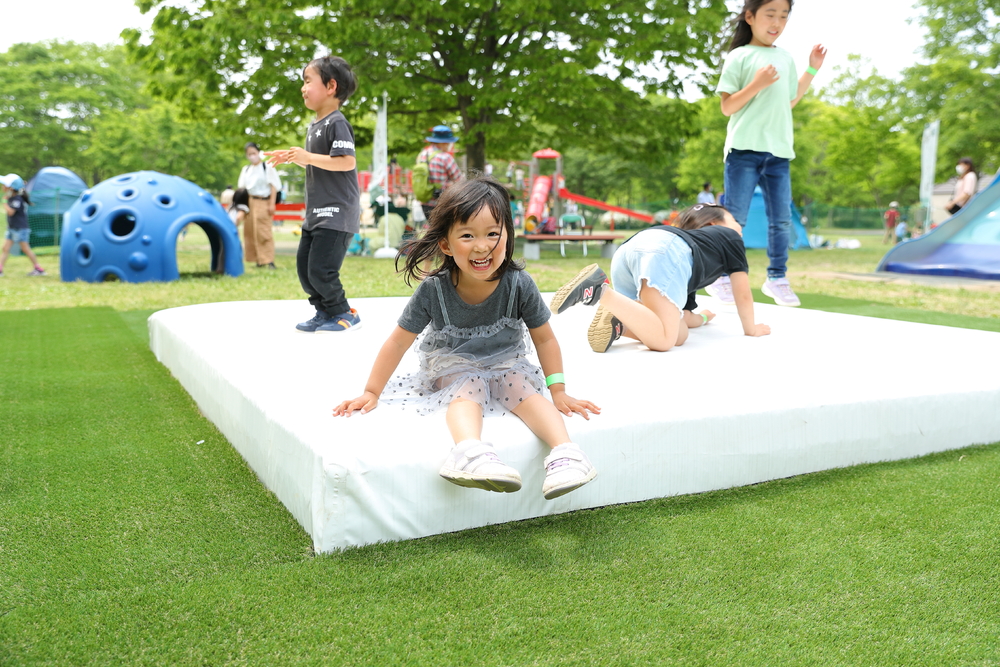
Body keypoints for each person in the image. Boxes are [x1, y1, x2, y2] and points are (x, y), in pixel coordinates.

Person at [333, 177, 600, 500]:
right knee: (468, 383)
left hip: (506, 361)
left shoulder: (519, 284)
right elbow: (398, 342)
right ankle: (469, 452)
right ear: (446, 245)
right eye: (467, 235)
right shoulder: (434, 290)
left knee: (520, 385)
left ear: (508, 235)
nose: (482, 246)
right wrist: (371, 391)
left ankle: (566, 453)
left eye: (492, 234)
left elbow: (545, 340)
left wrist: (558, 391)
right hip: (452, 364)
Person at [705, 0, 826, 308]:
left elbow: (789, 101)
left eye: (783, 16)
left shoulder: (785, 57)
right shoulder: (739, 56)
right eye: (770, 14)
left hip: (779, 152)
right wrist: (757, 84)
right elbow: (727, 106)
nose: (777, 23)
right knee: (736, 219)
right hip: (744, 149)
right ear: (750, 16)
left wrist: (812, 67)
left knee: (781, 220)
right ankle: (720, 277)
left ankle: (777, 278)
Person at [549, 204, 770, 354]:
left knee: (678, 334)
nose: (739, 226)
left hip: (630, 249)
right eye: (734, 219)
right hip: (663, 252)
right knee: (665, 340)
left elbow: (684, 316)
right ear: (713, 224)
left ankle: (619, 323)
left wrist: (703, 318)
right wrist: (750, 328)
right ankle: (600, 291)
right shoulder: (730, 237)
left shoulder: (691, 259)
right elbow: (742, 291)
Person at [266, 55, 362, 333]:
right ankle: (324, 312)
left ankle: (344, 313)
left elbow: (346, 161)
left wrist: (307, 156)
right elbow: (321, 162)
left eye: (308, 81)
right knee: (306, 270)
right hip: (315, 213)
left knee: (321, 269)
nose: (303, 88)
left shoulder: (337, 123)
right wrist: (296, 158)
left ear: (331, 86)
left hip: (336, 212)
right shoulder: (315, 125)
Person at [238, 141, 282, 268]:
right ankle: (257, 259)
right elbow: (242, 188)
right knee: (250, 231)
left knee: (263, 231)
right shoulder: (246, 169)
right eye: (249, 154)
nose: (252, 156)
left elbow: (274, 186)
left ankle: (268, 259)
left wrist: (272, 204)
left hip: (263, 201)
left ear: (258, 152)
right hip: (249, 201)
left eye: (254, 153)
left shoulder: (267, 166)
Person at [0, 174, 45, 277]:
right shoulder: (12, 198)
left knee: (25, 249)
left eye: (4, 185)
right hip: (11, 228)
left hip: (20, 229)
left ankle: (38, 269)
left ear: (11, 188)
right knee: (5, 248)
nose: (2, 186)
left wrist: (4, 201)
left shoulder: (17, 199)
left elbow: (11, 212)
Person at [416, 126, 464, 219]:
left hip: (425, 202)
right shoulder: (445, 157)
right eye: (448, 143)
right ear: (443, 143)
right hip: (441, 204)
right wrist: (450, 184)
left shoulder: (422, 155)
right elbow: (460, 181)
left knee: (432, 227)